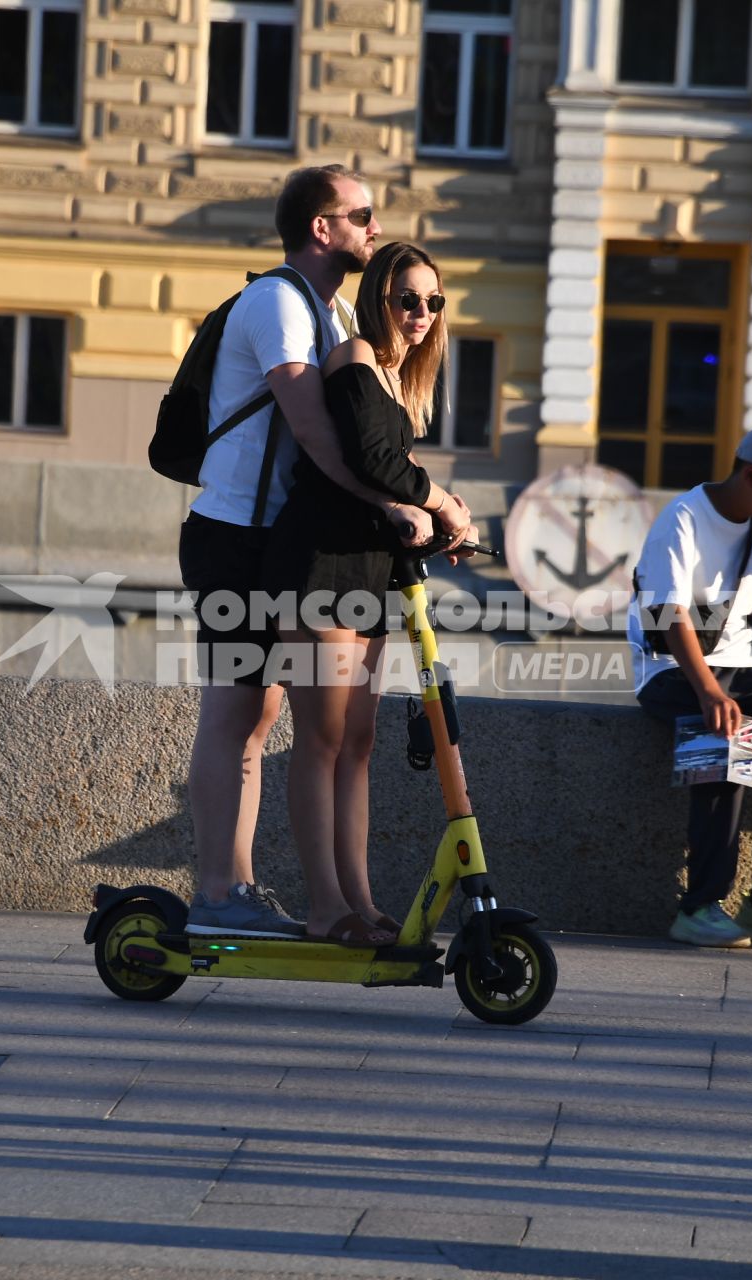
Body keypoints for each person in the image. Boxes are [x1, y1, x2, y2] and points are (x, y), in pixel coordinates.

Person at [179, 166, 470, 939]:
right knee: (238, 710)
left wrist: (401, 505)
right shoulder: (278, 300)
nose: (373, 228)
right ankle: (217, 890)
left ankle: (236, 887)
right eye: (362, 215)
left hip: (276, 535)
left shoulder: (330, 309)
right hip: (235, 532)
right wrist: (400, 502)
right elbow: (319, 434)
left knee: (270, 709)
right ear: (321, 227)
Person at [262, 242, 469, 946]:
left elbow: (390, 473)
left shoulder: (397, 380)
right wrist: (440, 500)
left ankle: (362, 900)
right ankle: (326, 908)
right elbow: (372, 462)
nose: (420, 314)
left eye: (432, 303)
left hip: (372, 573)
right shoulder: (353, 360)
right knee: (319, 739)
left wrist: (436, 510)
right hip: (319, 566)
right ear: (380, 296)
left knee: (358, 740)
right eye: (408, 299)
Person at [627, 423, 752, 950]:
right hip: (672, 669)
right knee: (727, 738)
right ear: (750, 474)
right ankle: (699, 906)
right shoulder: (682, 519)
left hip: (741, 664)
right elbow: (668, 614)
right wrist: (709, 692)